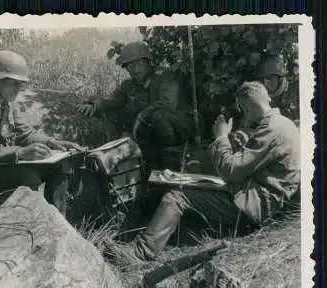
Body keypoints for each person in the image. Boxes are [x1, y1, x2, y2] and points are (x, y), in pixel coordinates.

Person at [108, 81, 300, 264]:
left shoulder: (272, 129)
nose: (244, 116)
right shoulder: (282, 124)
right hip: (255, 198)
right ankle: (125, 241)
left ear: (247, 107)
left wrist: (221, 137)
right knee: (174, 190)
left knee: (176, 196)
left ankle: (141, 254)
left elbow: (231, 170)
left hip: (253, 206)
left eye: (243, 110)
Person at [0, 50, 84, 216]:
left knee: (61, 166)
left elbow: (25, 133)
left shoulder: (7, 101)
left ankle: (58, 222)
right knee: (28, 176)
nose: (19, 89)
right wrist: (20, 153)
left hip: (2, 163)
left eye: (21, 84)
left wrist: (52, 142)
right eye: (14, 83)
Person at [76, 41, 196, 170]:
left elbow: (167, 103)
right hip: (152, 136)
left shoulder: (165, 76)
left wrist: (142, 116)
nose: (135, 69)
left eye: (139, 63)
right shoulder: (128, 86)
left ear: (148, 62)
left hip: (179, 128)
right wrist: (93, 105)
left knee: (158, 116)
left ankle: (167, 163)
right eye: (130, 65)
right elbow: (111, 100)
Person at [256, 54, 299, 126]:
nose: (265, 83)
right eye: (261, 80)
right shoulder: (261, 96)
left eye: (269, 78)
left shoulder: (297, 88)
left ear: (280, 78)